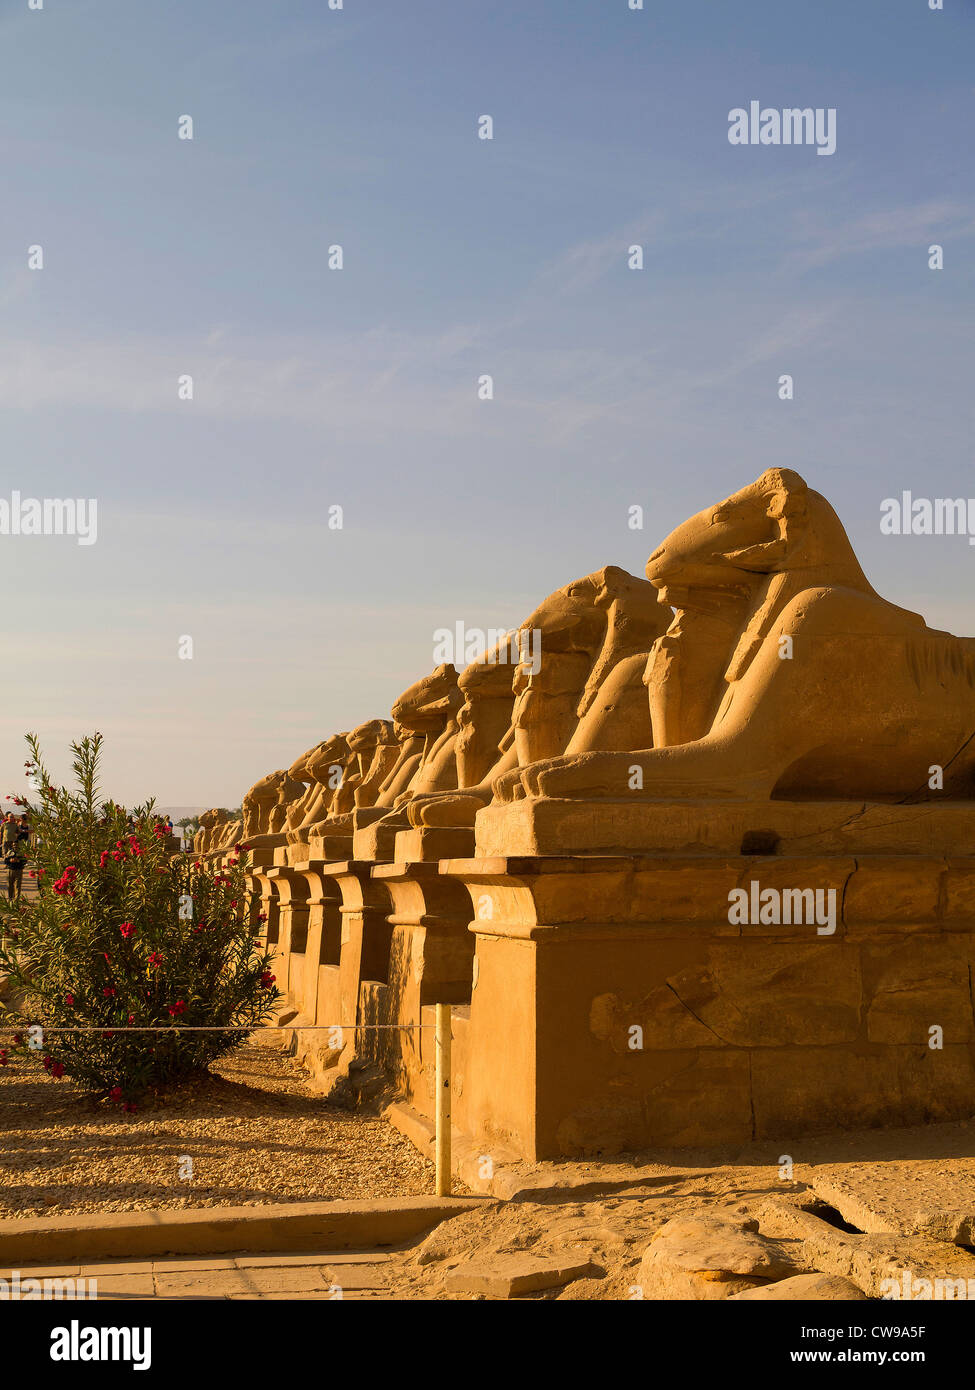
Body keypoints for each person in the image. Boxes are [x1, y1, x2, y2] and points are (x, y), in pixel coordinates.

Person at [3, 813, 29, 901]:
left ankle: (16, 900)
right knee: (10, 885)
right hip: (11, 870)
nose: (15, 845)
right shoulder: (10, 851)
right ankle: (10, 899)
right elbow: (5, 860)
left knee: (18, 886)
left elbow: (25, 861)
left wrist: (18, 860)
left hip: (18, 870)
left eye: (16, 844)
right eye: (14, 844)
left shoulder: (21, 852)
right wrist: (10, 860)